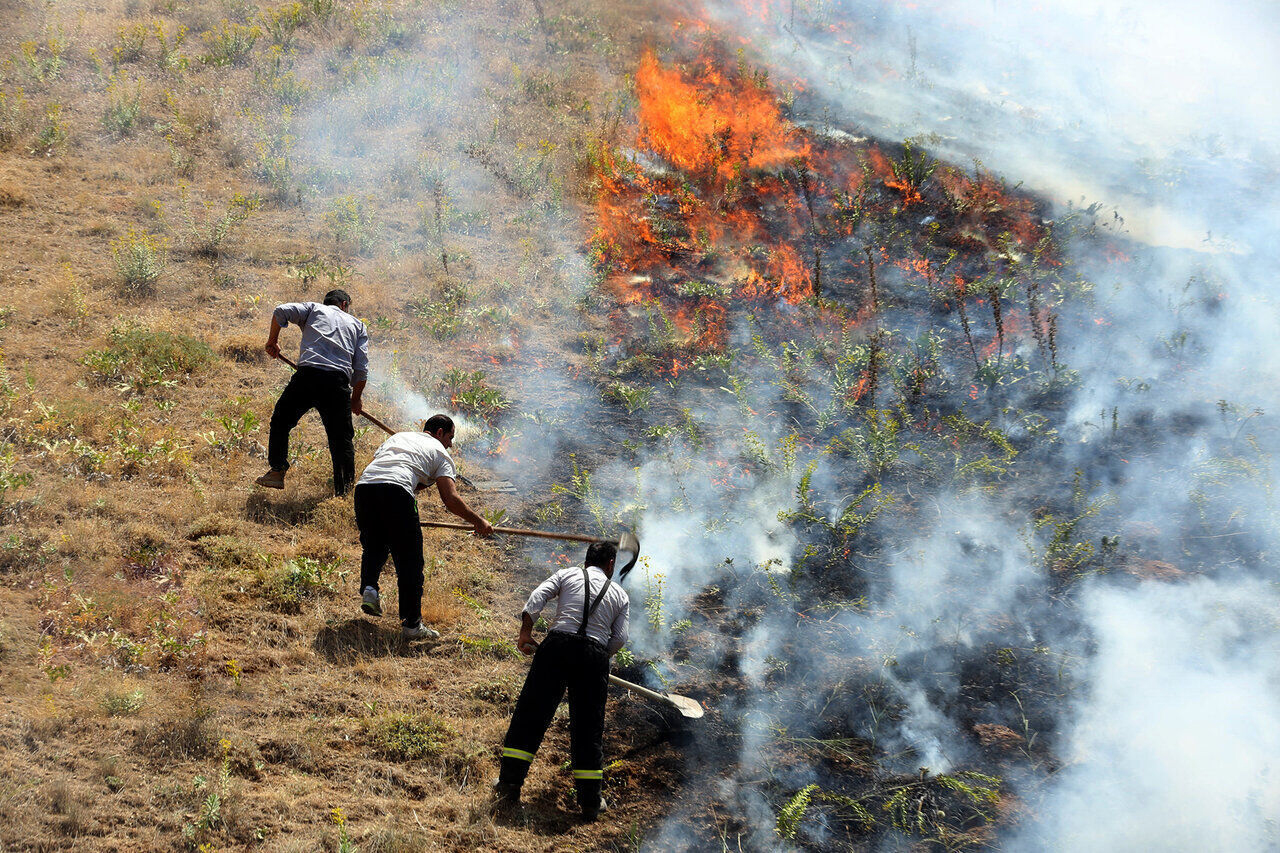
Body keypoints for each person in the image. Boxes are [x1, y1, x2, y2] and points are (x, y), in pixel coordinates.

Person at [494, 542, 630, 821]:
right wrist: (597, 657)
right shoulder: (620, 594)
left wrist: (525, 632)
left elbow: (537, 598)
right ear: (611, 564)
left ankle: (509, 785)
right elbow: (619, 639)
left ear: (587, 560)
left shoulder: (567, 575)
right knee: (588, 728)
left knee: (530, 716)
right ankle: (590, 803)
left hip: (556, 646)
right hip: (594, 655)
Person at [353, 414, 494, 639]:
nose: (450, 443)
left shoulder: (398, 437)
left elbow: (383, 467)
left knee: (375, 545)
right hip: (397, 491)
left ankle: (369, 589)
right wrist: (479, 521)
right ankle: (411, 625)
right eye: (450, 437)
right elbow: (450, 499)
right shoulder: (441, 453)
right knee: (410, 562)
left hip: (365, 488)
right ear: (440, 433)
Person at [256, 289, 369, 496]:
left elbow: (281, 311)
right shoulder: (358, 325)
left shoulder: (313, 309)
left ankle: (277, 471)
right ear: (344, 305)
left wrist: (272, 341)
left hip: (307, 377)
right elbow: (361, 370)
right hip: (337, 384)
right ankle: (343, 493)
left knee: (281, 421)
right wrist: (355, 399)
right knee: (341, 440)